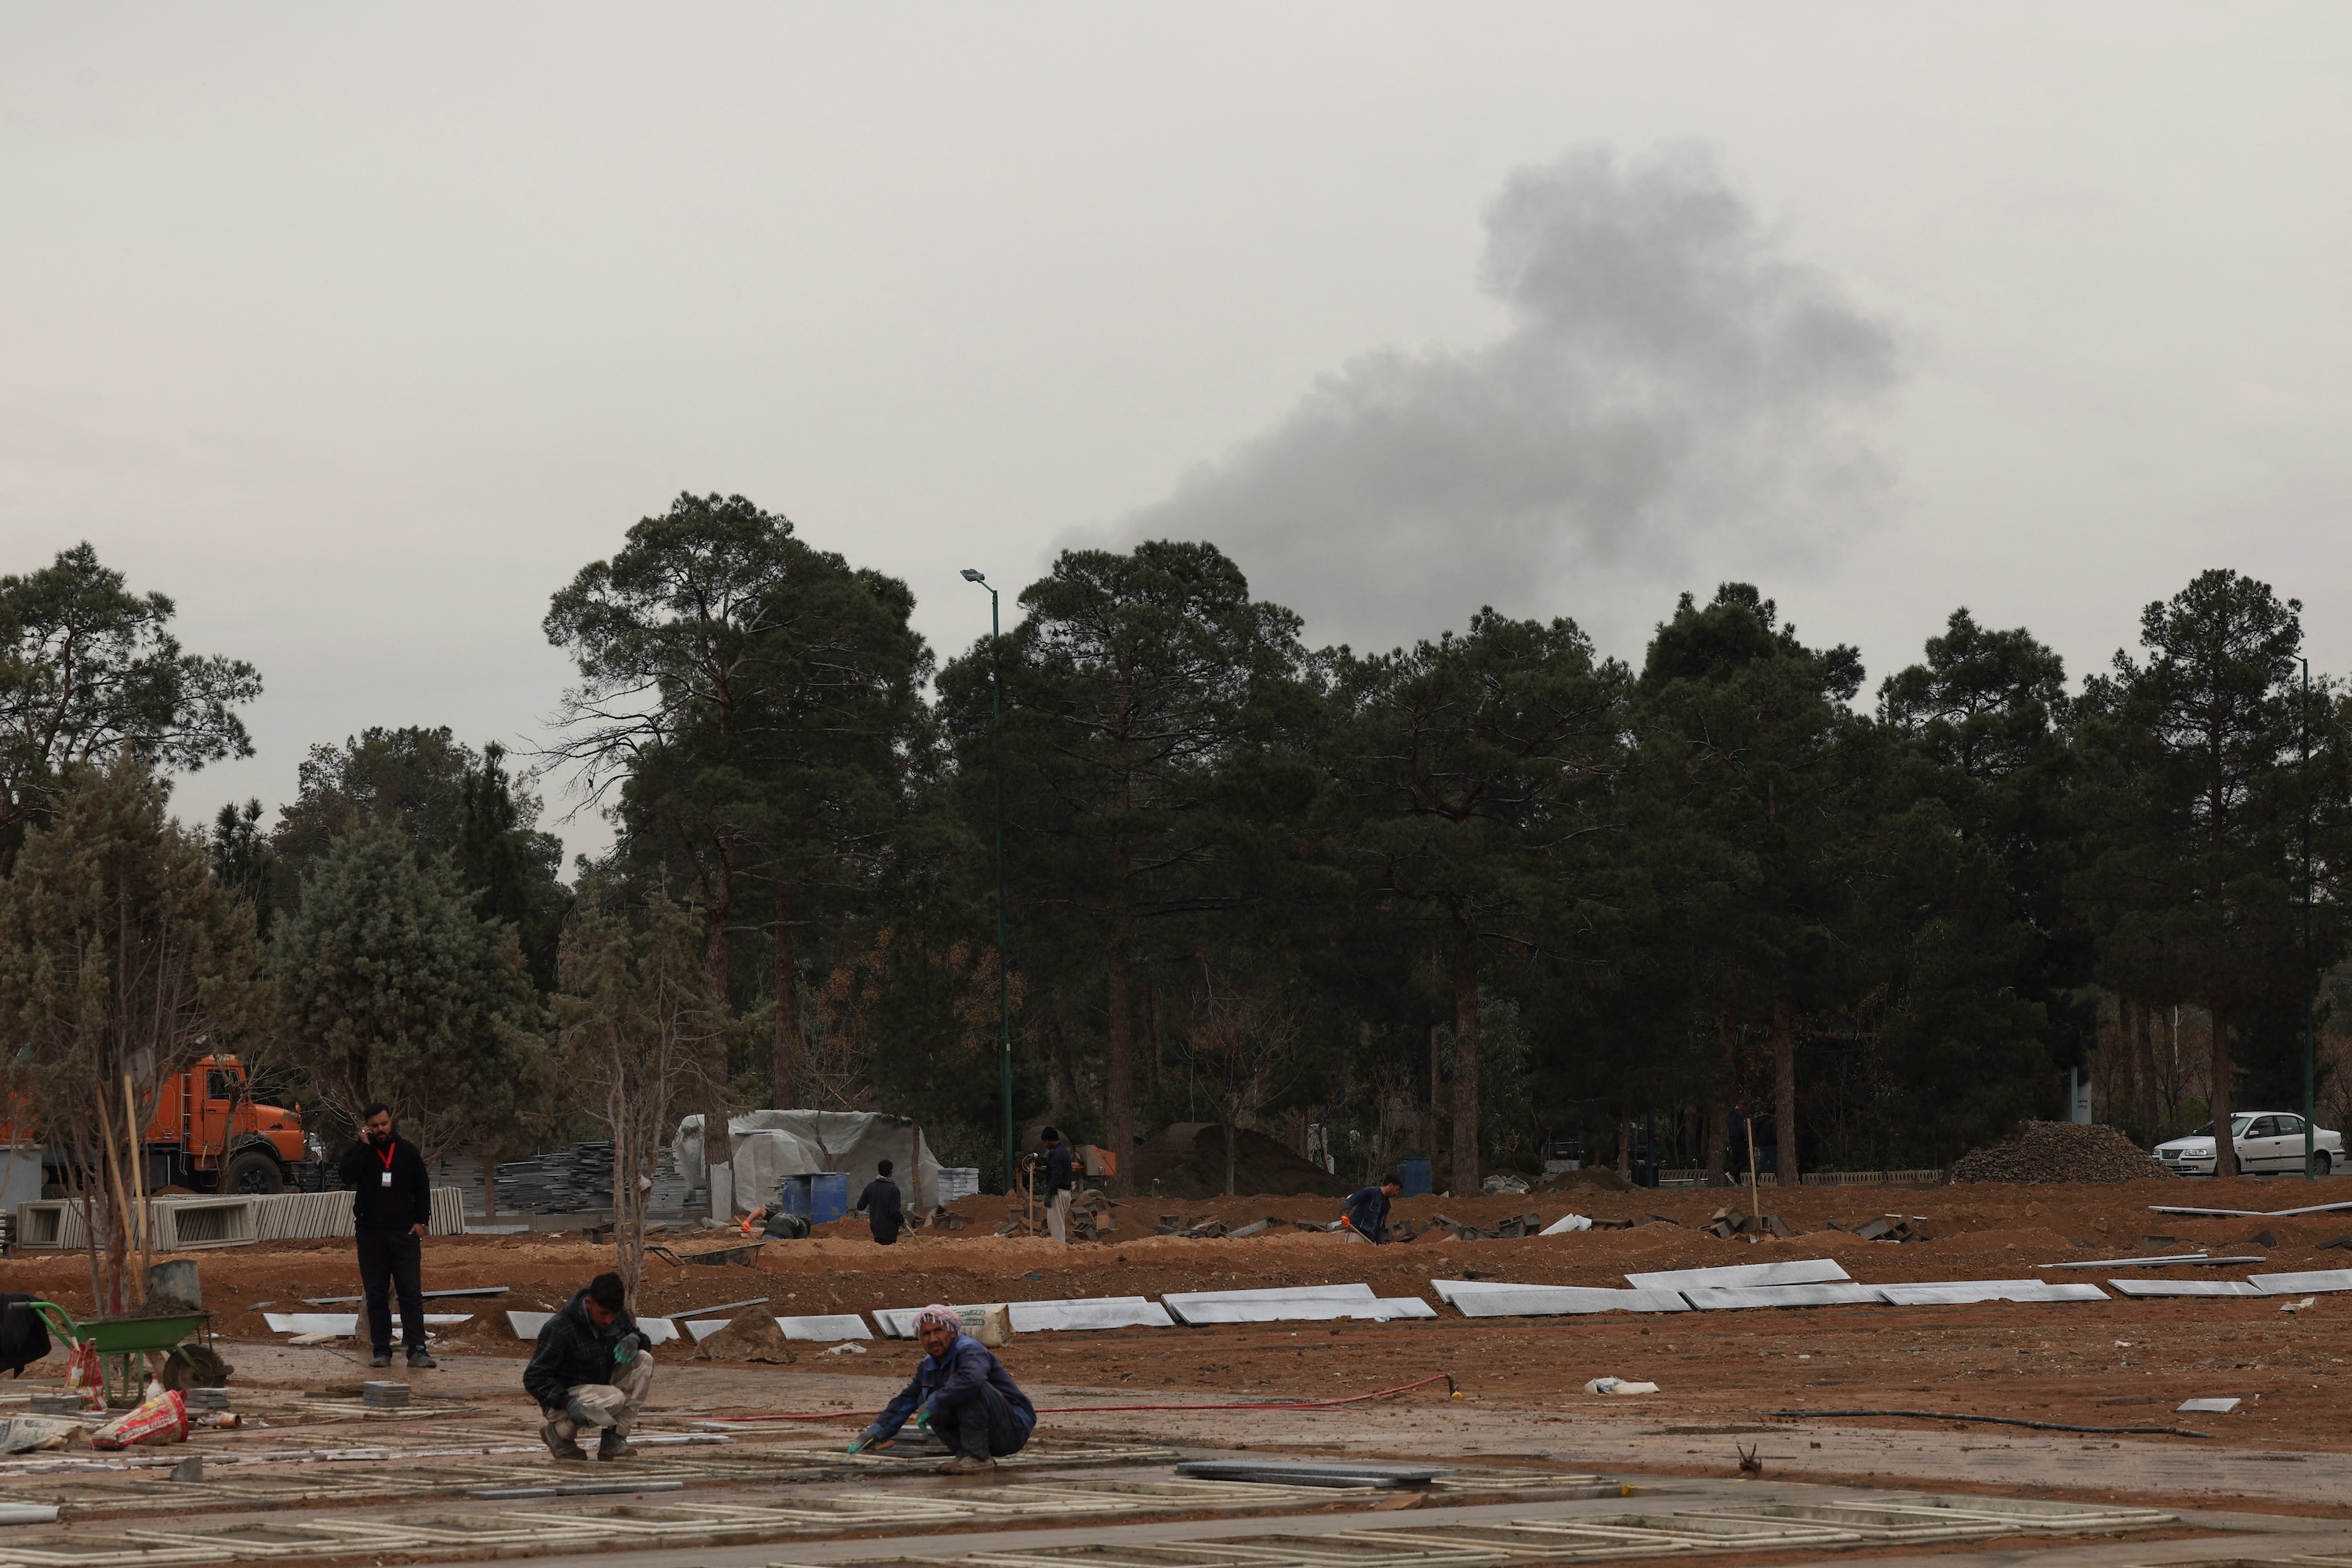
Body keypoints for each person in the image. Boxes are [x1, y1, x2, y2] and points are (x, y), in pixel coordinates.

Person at [851, 1303, 1035, 1475]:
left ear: (953, 1332)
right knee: (923, 1397)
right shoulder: (928, 1366)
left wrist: (936, 1402)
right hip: (987, 1434)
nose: (933, 1339)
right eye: (926, 1334)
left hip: (1012, 1429)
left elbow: (973, 1379)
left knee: (964, 1389)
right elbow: (905, 1401)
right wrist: (875, 1432)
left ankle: (977, 1457)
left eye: (938, 1331)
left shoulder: (969, 1350)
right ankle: (966, 1454)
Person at [336, 1102, 434, 1370]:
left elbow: (422, 1186)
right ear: (367, 1127)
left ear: (391, 1122)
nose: (381, 1129)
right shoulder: (359, 1152)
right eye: (375, 1126)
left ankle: (417, 1349)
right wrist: (364, 1147)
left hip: (404, 1234)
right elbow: (346, 1176)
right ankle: (381, 1350)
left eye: (384, 1124)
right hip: (371, 1235)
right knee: (376, 1294)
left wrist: (421, 1221)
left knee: (410, 1293)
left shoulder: (407, 1151)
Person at [524, 1272, 653, 1462]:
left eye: (614, 1315)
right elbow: (534, 1377)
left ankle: (614, 1439)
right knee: (615, 1399)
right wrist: (566, 1402)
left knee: (643, 1360)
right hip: (563, 1399)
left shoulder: (616, 1316)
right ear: (588, 1303)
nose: (609, 1320)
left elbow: (642, 1339)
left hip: (600, 1388)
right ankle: (559, 1434)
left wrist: (635, 1339)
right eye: (603, 1313)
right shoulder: (560, 1328)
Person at [1340, 1173, 1402, 1243]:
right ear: (1391, 1186)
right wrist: (1344, 1214)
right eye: (1397, 1190)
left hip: (1369, 1239)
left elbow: (1381, 1226)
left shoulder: (1386, 1205)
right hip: (1357, 1232)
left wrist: (1380, 1244)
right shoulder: (1371, 1192)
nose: (1396, 1193)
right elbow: (1353, 1199)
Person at [1039, 1127, 1074, 1244]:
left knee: (1056, 1226)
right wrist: (1038, 1157)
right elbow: (1051, 1164)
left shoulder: (1056, 1154)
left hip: (1058, 1193)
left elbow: (1056, 1175)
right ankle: (1060, 1248)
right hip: (1065, 1191)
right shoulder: (1062, 1151)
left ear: (1050, 1140)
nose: (1044, 1145)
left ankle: (1059, 1249)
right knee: (1056, 1223)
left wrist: (1050, 1193)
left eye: (1045, 1142)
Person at [858, 1160, 905, 1246]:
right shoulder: (893, 1190)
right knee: (889, 1251)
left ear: (879, 1171)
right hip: (890, 1230)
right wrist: (902, 1221)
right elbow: (894, 1212)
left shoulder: (870, 1187)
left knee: (879, 1250)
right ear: (891, 1172)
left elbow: (860, 1206)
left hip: (876, 1229)